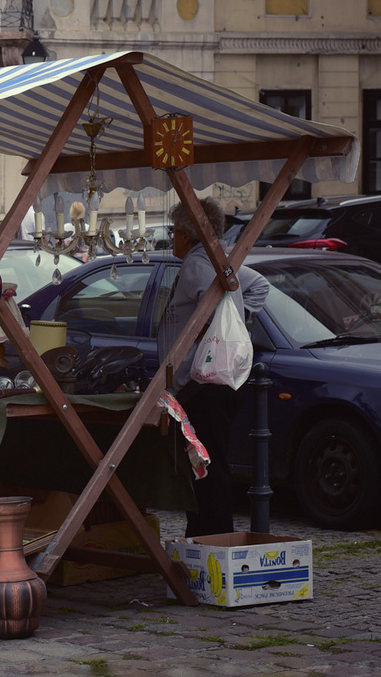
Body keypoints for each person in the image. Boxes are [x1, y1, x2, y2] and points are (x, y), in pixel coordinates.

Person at [156, 198, 270, 538]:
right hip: (216, 380)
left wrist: (216, 328)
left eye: (173, 232)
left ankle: (212, 538)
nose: (172, 239)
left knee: (206, 466)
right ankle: (206, 536)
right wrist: (235, 319)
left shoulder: (196, 262)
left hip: (201, 382)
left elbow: (221, 299)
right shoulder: (219, 259)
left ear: (188, 235)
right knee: (208, 463)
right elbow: (257, 286)